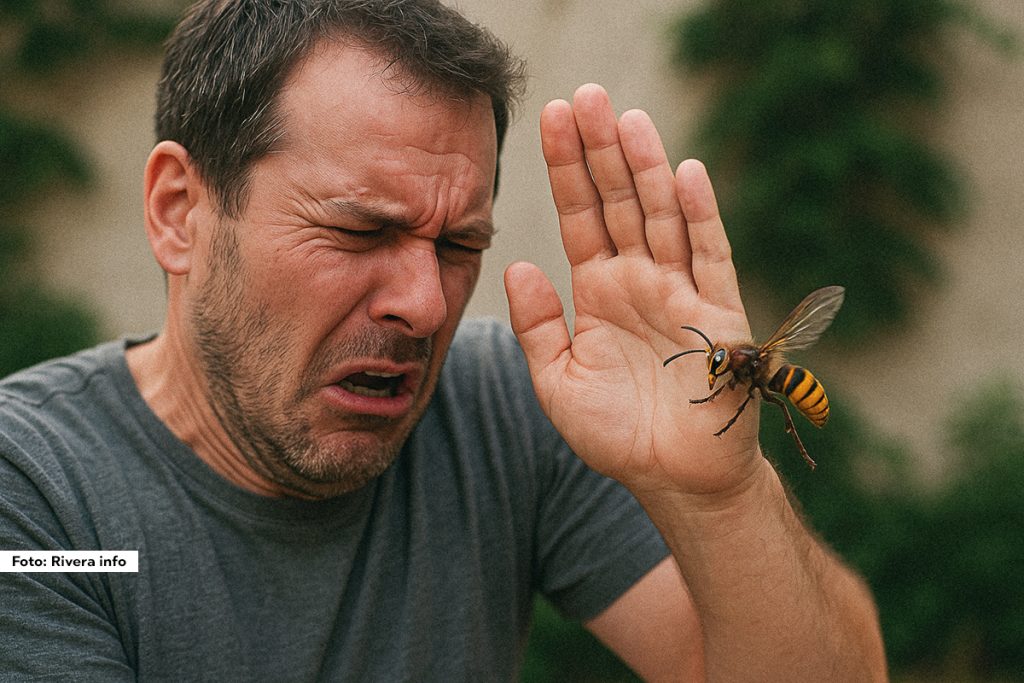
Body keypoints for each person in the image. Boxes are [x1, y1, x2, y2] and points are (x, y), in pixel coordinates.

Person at [0, 0, 887, 680]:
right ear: (179, 214)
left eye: (461, 245)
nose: (426, 304)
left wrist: (721, 500)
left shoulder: (501, 405)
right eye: (358, 231)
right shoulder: (38, 499)